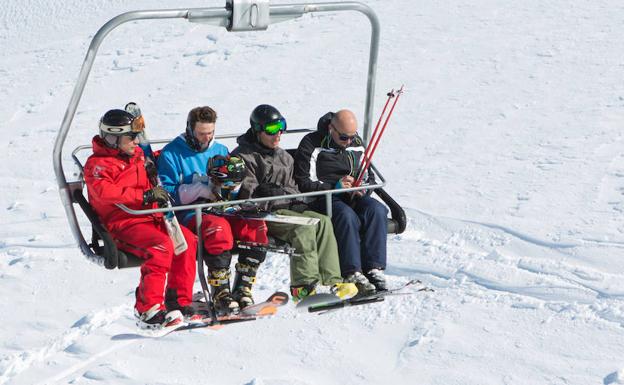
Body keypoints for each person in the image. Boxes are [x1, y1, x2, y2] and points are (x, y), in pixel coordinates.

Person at [83, 109, 199, 329]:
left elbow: (155, 161)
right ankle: (148, 310)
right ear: (114, 138)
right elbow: (106, 192)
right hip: (122, 224)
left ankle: (179, 301)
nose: (135, 141)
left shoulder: (136, 154)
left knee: (187, 241)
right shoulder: (98, 165)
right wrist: (144, 196)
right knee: (161, 247)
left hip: (150, 218)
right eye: (131, 137)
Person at [230, 104, 357, 302]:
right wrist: (266, 193)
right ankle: (303, 288)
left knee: (323, 222)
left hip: (287, 208)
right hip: (263, 214)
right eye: (272, 129)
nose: (278, 134)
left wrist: (293, 199)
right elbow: (248, 196)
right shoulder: (243, 157)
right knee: (303, 230)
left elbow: (294, 188)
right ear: (257, 130)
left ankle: (333, 280)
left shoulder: (284, 157)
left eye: (281, 127)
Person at [158, 106, 269, 314]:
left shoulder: (219, 150)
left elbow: (232, 187)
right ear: (190, 129)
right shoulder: (172, 153)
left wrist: (231, 186)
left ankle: (243, 288)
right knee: (218, 230)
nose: (206, 138)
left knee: (255, 226)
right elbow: (168, 193)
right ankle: (221, 292)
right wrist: (200, 188)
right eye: (201, 133)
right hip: (191, 213)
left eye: (210, 133)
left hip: (222, 208)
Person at [294, 109, 389, 293]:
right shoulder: (312, 143)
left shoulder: (357, 143)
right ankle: (351, 271)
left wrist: (362, 188)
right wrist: (334, 186)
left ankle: (373, 268)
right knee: (347, 216)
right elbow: (304, 182)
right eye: (344, 137)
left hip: (352, 194)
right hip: (324, 198)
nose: (348, 142)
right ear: (332, 129)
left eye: (352, 137)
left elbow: (369, 176)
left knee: (377, 210)